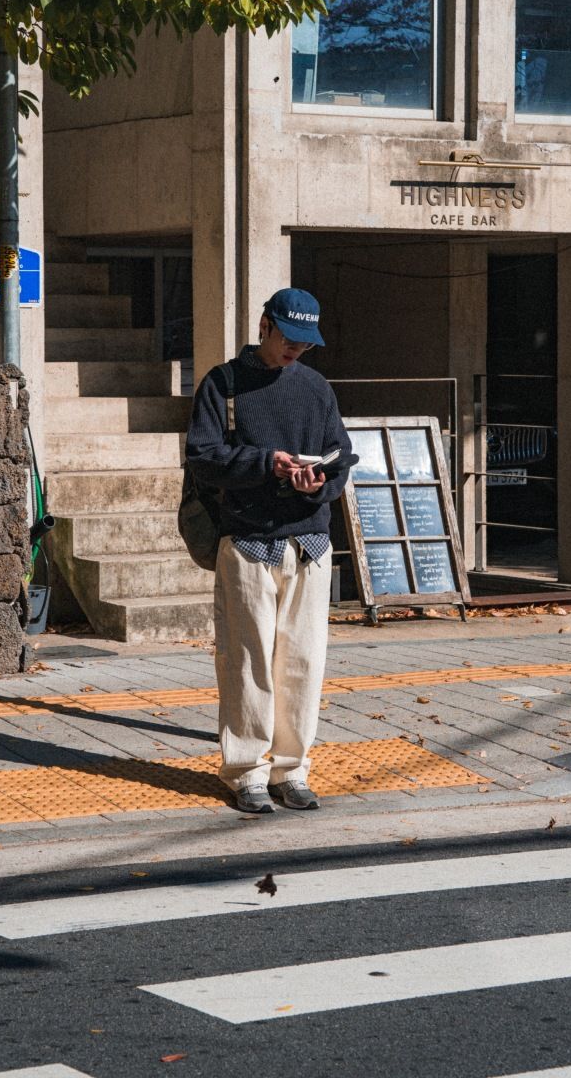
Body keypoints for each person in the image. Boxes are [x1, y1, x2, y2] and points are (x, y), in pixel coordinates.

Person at [185, 287, 355, 814]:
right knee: (246, 661)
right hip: (246, 538)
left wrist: (318, 483)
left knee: (303, 661)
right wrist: (266, 464)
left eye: (305, 343)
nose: (295, 350)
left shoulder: (317, 388)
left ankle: (292, 769)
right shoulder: (223, 383)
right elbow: (202, 456)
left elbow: (341, 457)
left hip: (310, 540)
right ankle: (246, 772)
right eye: (288, 338)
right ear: (264, 326)